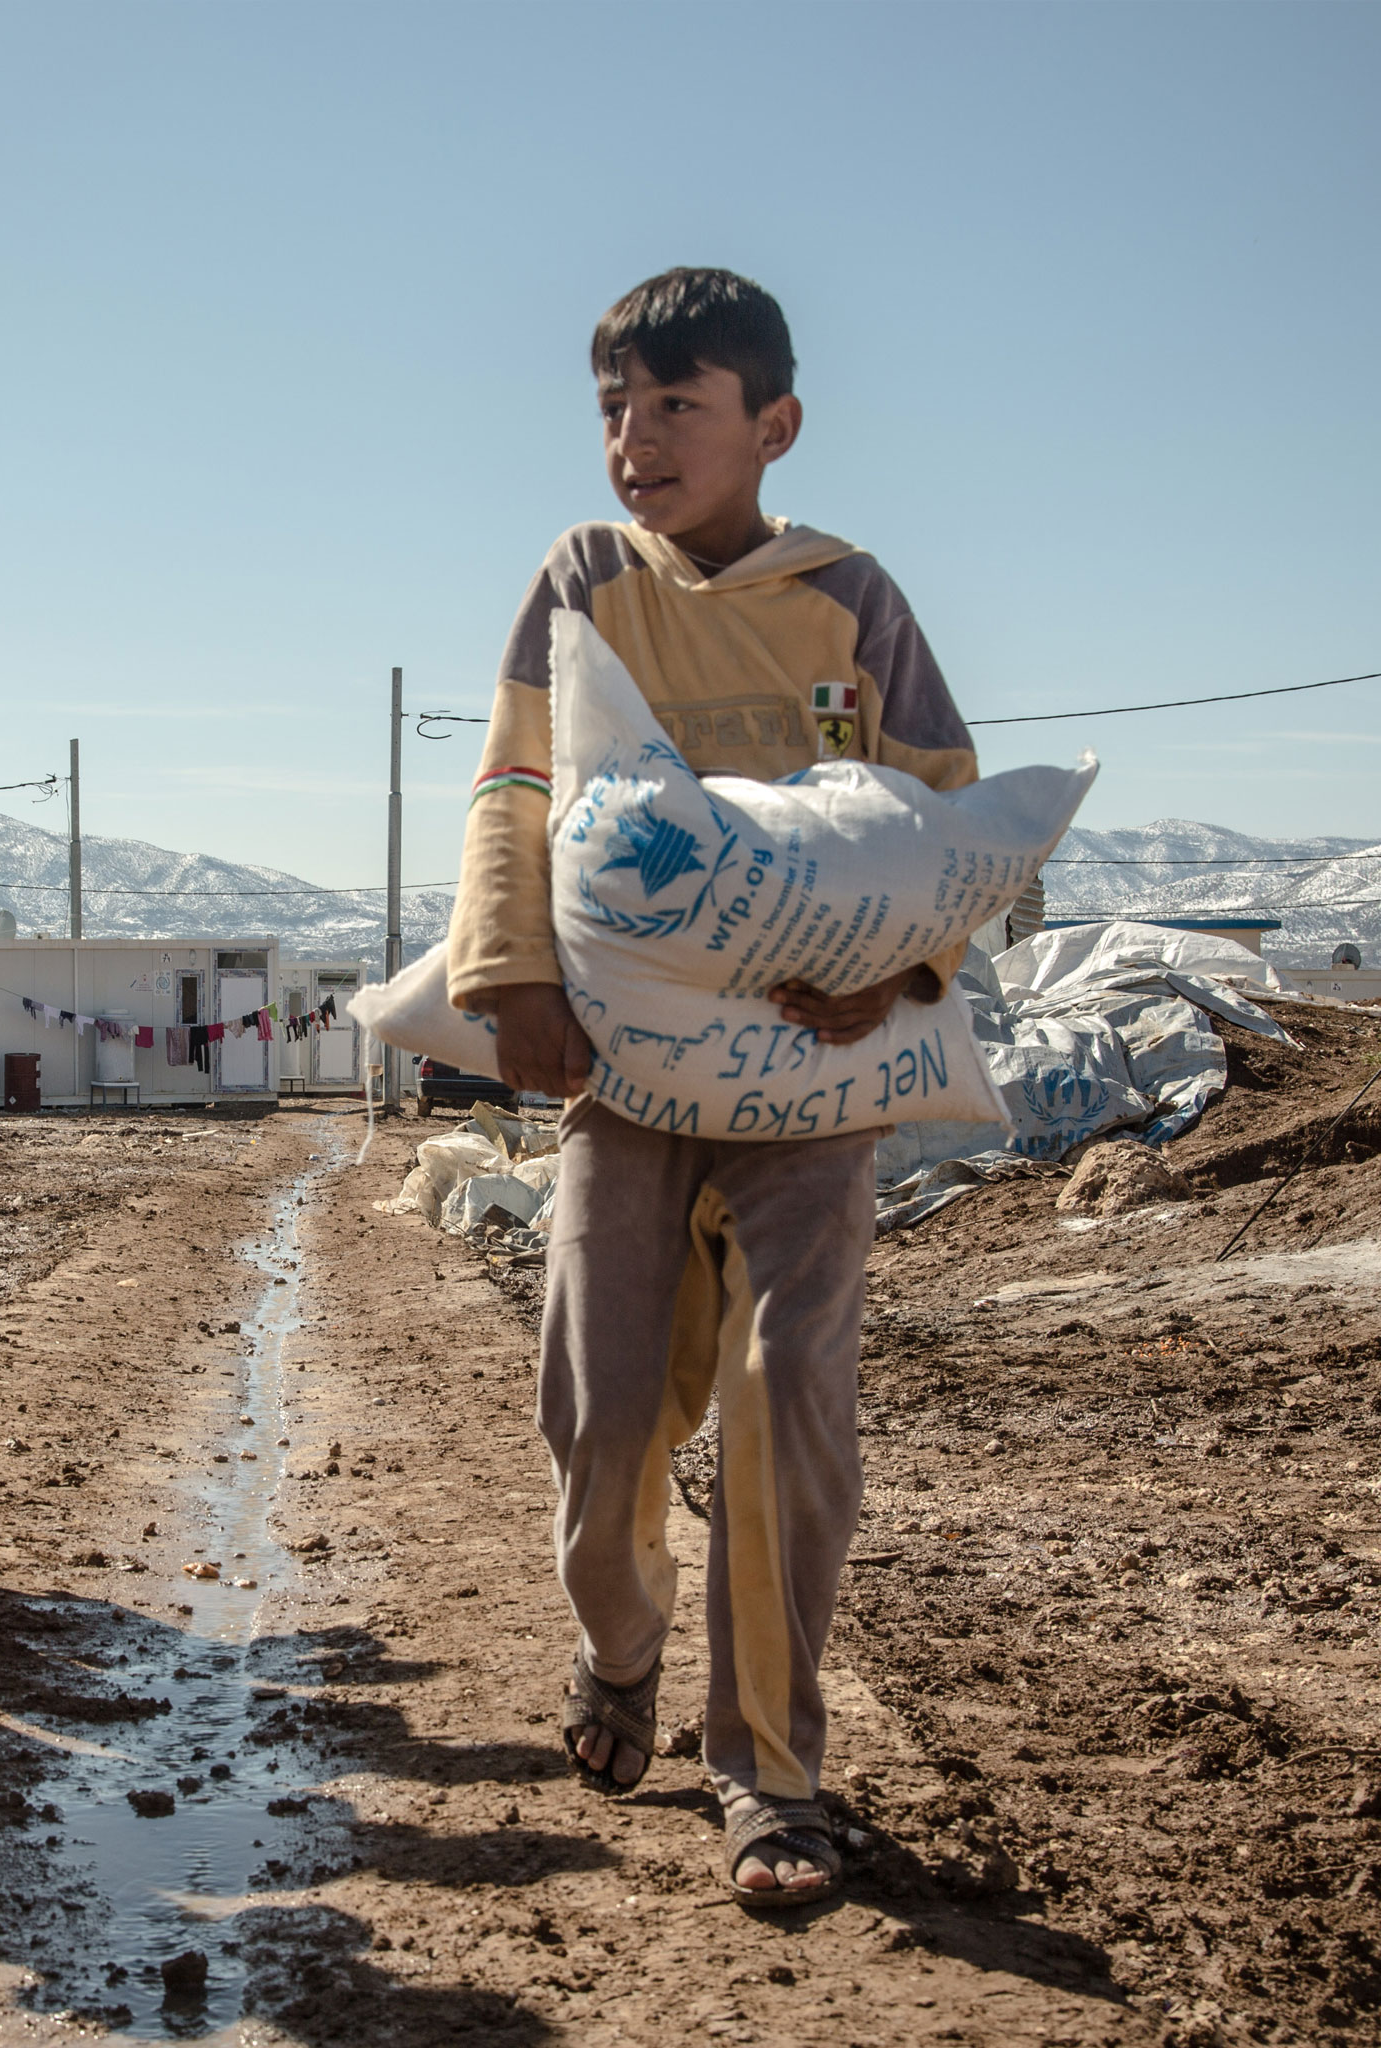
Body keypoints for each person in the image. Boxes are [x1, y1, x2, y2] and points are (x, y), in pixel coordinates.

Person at [446, 270, 979, 1896]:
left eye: (674, 405)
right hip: (621, 1078)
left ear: (773, 424)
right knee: (602, 1411)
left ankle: (768, 1767)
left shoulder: (851, 598)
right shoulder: (584, 578)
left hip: (813, 1083)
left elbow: (943, 807)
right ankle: (621, 1646)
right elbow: (517, 779)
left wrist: (896, 968)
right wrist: (510, 975)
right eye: (613, 408)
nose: (633, 438)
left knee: (784, 1394)